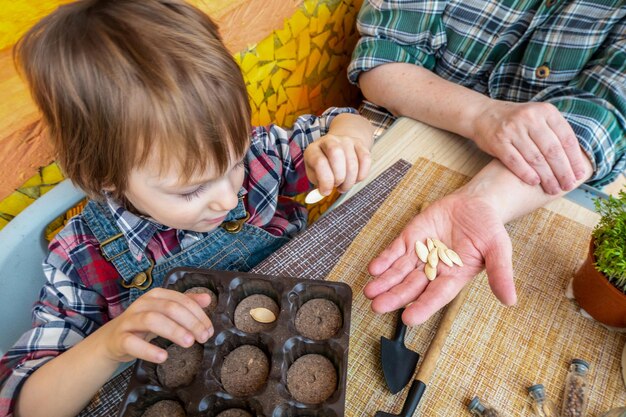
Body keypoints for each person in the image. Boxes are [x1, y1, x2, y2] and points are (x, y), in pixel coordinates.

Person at [0, 1, 375, 416]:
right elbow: (23, 403)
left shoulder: (262, 158)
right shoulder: (82, 259)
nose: (229, 198)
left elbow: (343, 121)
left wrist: (345, 143)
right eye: (191, 191)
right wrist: (107, 346)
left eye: (234, 162)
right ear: (107, 178)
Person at [348, 1, 625, 325]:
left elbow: (601, 124)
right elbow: (382, 59)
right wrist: (482, 115)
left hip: (516, 189)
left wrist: (485, 200)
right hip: (394, 132)